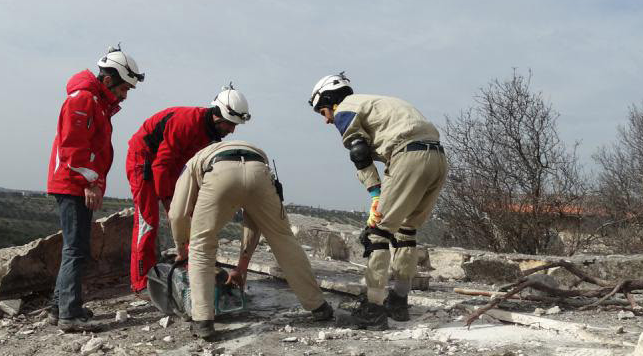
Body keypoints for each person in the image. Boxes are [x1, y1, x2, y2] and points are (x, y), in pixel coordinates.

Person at [308, 72, 447, 328]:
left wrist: (375, 193)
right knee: (406, 230)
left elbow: (358, 150)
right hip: (437, 157)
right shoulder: (377, 101)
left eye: (322, 112)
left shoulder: (345, 108)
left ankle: (372, 308)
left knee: (377, 234)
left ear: (330, 100)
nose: (326, 120)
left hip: (409, 157)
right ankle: (399, 301)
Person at [169, 140, 334, 341]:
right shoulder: (248, 150)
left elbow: (177, 214)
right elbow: (254, 221)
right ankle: (319, 307)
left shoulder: (194, 161)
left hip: (219, 170)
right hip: (260, 170)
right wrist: (241, 266)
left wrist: (181, 247)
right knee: (283, 239)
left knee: (201, 245)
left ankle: (203, 321)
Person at [45, 45, 143, 331]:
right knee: (76, 250)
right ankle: (69, 314)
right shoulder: (83, 100)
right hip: (72, 183)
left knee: (75, 248)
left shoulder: (94, 101)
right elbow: (74, 146)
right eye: (125, 87)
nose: (125, 95)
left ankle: (59, 307)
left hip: (74, 182)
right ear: (110, 79)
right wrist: (89, 182)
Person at [125, 84, 250, 293]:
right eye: (230, 124)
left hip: (172, 166)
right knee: (148, 221)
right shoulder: (186, 123)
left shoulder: (211, 134)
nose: (232, 130)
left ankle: (194, 265)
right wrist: (168, 202)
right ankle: (140, 284)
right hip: (144, 160)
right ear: (218, 115)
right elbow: (160, 165)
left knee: (192, 216)